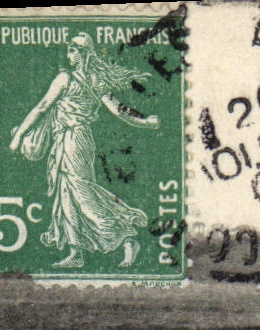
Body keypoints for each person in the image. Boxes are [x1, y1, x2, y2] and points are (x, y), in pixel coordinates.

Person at [9, 33, 157, 269]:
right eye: (69, 50)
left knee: (81, 195)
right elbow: (120, 110)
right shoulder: (88, 79)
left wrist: (18, 135)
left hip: (75, 140)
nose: (70, 54)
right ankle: (76, 252)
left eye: (74, 50)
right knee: (66, 194)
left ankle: (127, 238)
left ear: (84, 53)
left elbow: (43, 107)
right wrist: (145, 120)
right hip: (65, 140)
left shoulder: (68, 79)